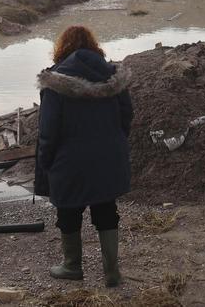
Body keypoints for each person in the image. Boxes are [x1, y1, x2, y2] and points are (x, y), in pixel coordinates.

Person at [35, 26, 133, 286]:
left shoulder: (55, 82)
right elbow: (127, 116)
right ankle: (112, 272)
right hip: (108, 157)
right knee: (106, 208)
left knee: (68, 211)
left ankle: (72, 266)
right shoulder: (113, 77)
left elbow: (48, 130)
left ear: (61, 48)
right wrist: (114, 142)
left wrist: (46, 161)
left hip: (70, 161)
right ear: (94, 45)